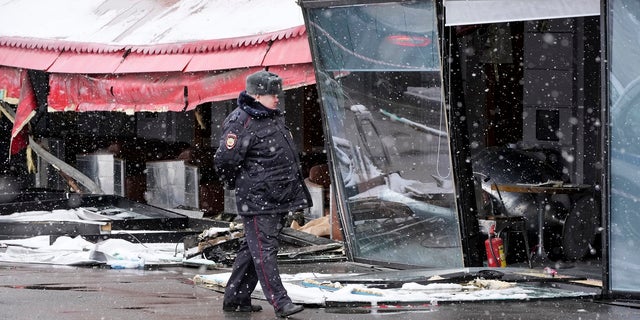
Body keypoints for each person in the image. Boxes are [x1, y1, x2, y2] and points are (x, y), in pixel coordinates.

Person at [213, 70, 312, 318]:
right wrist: (246, 184)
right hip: (259, 200)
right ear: (256, 95)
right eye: (272, 94)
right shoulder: (240, 121)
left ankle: (236, 299)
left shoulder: (272, 117)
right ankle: (281, 302)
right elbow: (225, 160)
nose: (277, 98)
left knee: (252, 249)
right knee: (265, 251)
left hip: (276, 197)